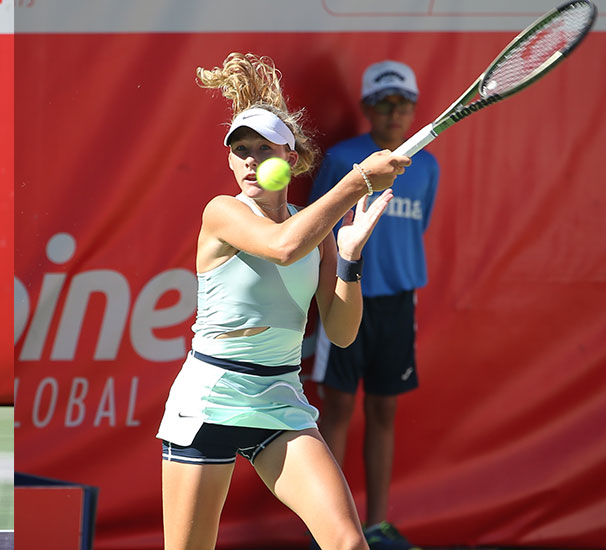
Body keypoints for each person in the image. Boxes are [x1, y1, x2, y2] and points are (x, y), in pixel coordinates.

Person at [156, 52, 410, 550]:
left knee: (348, 544)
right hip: (209, 400)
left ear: (290, 160)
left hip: (279, 402)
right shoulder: (223, 211)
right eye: (240, 150)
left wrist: (349, 258)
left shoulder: (317, 234)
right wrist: (358, 180)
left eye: (263, 148)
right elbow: (282, 246)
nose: (249, 159)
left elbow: (340, 331)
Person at [307, 60, 438, 550]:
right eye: (385, 102)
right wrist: (324, 296)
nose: (395, 111)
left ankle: (377, 525)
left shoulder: (428, 165)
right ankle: (332, 530)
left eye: (404, 103)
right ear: (366, 107)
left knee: (384, 409)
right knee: (336, 408)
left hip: (398, 306)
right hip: (346, 297)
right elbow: (318, 229)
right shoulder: (345, 159)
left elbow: (415, 232)